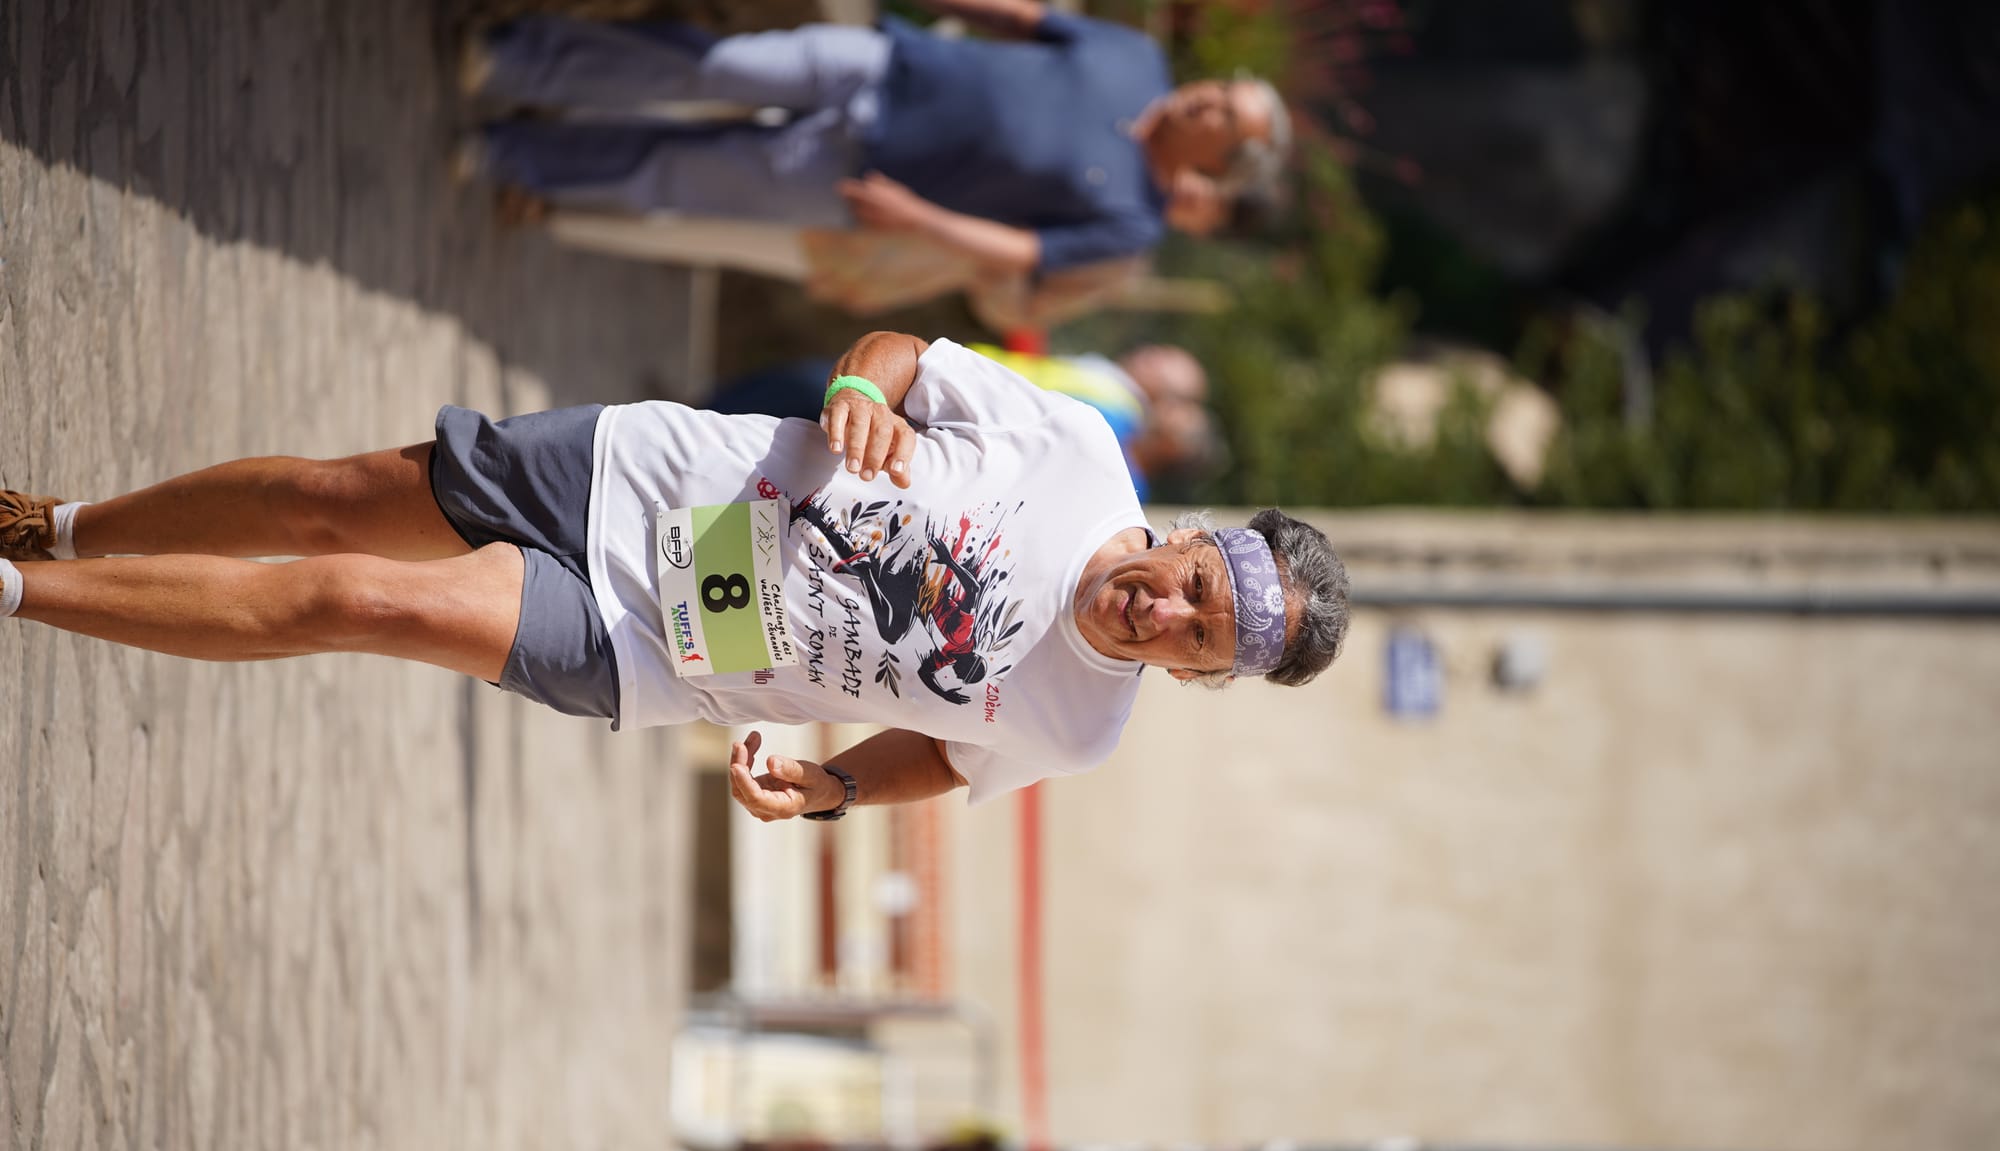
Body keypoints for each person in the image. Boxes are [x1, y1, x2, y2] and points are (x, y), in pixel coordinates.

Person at [0, 334, 1347, 820]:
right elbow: (897, 353)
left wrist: (831, 787)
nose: (1166, 616)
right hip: (653, 481)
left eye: (1198, 643)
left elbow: (949, 760)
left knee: (353, 595)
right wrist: (853, 396)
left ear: (1197, 676)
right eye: (1194, 587)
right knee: (332, 498)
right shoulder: (1073, 449)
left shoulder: (1083, 723)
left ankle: (17, 597)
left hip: (660, 645)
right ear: (1192, 537)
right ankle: (64, 527)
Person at [459, 0, 1291, 283]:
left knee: (676, 174)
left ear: (1219, 161)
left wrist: (914, 218)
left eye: (1223, 111)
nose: (1205, 94)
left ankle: (509, 155)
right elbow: (1022, 19)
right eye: (1220, 88)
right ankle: (514, 58)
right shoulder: (1135, 57)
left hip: (871, 180)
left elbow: (1019, 251)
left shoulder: (1136, 222)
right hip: (886, 64)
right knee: (711, 66)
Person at [705, 341, 1224, 501]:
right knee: (802, 391)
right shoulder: (1114, 424)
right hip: (929, 403)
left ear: (1176, 452)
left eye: (1179, 424)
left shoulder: (1123, 487)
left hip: (922, 458)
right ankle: (697, 414)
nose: (1167, 421)